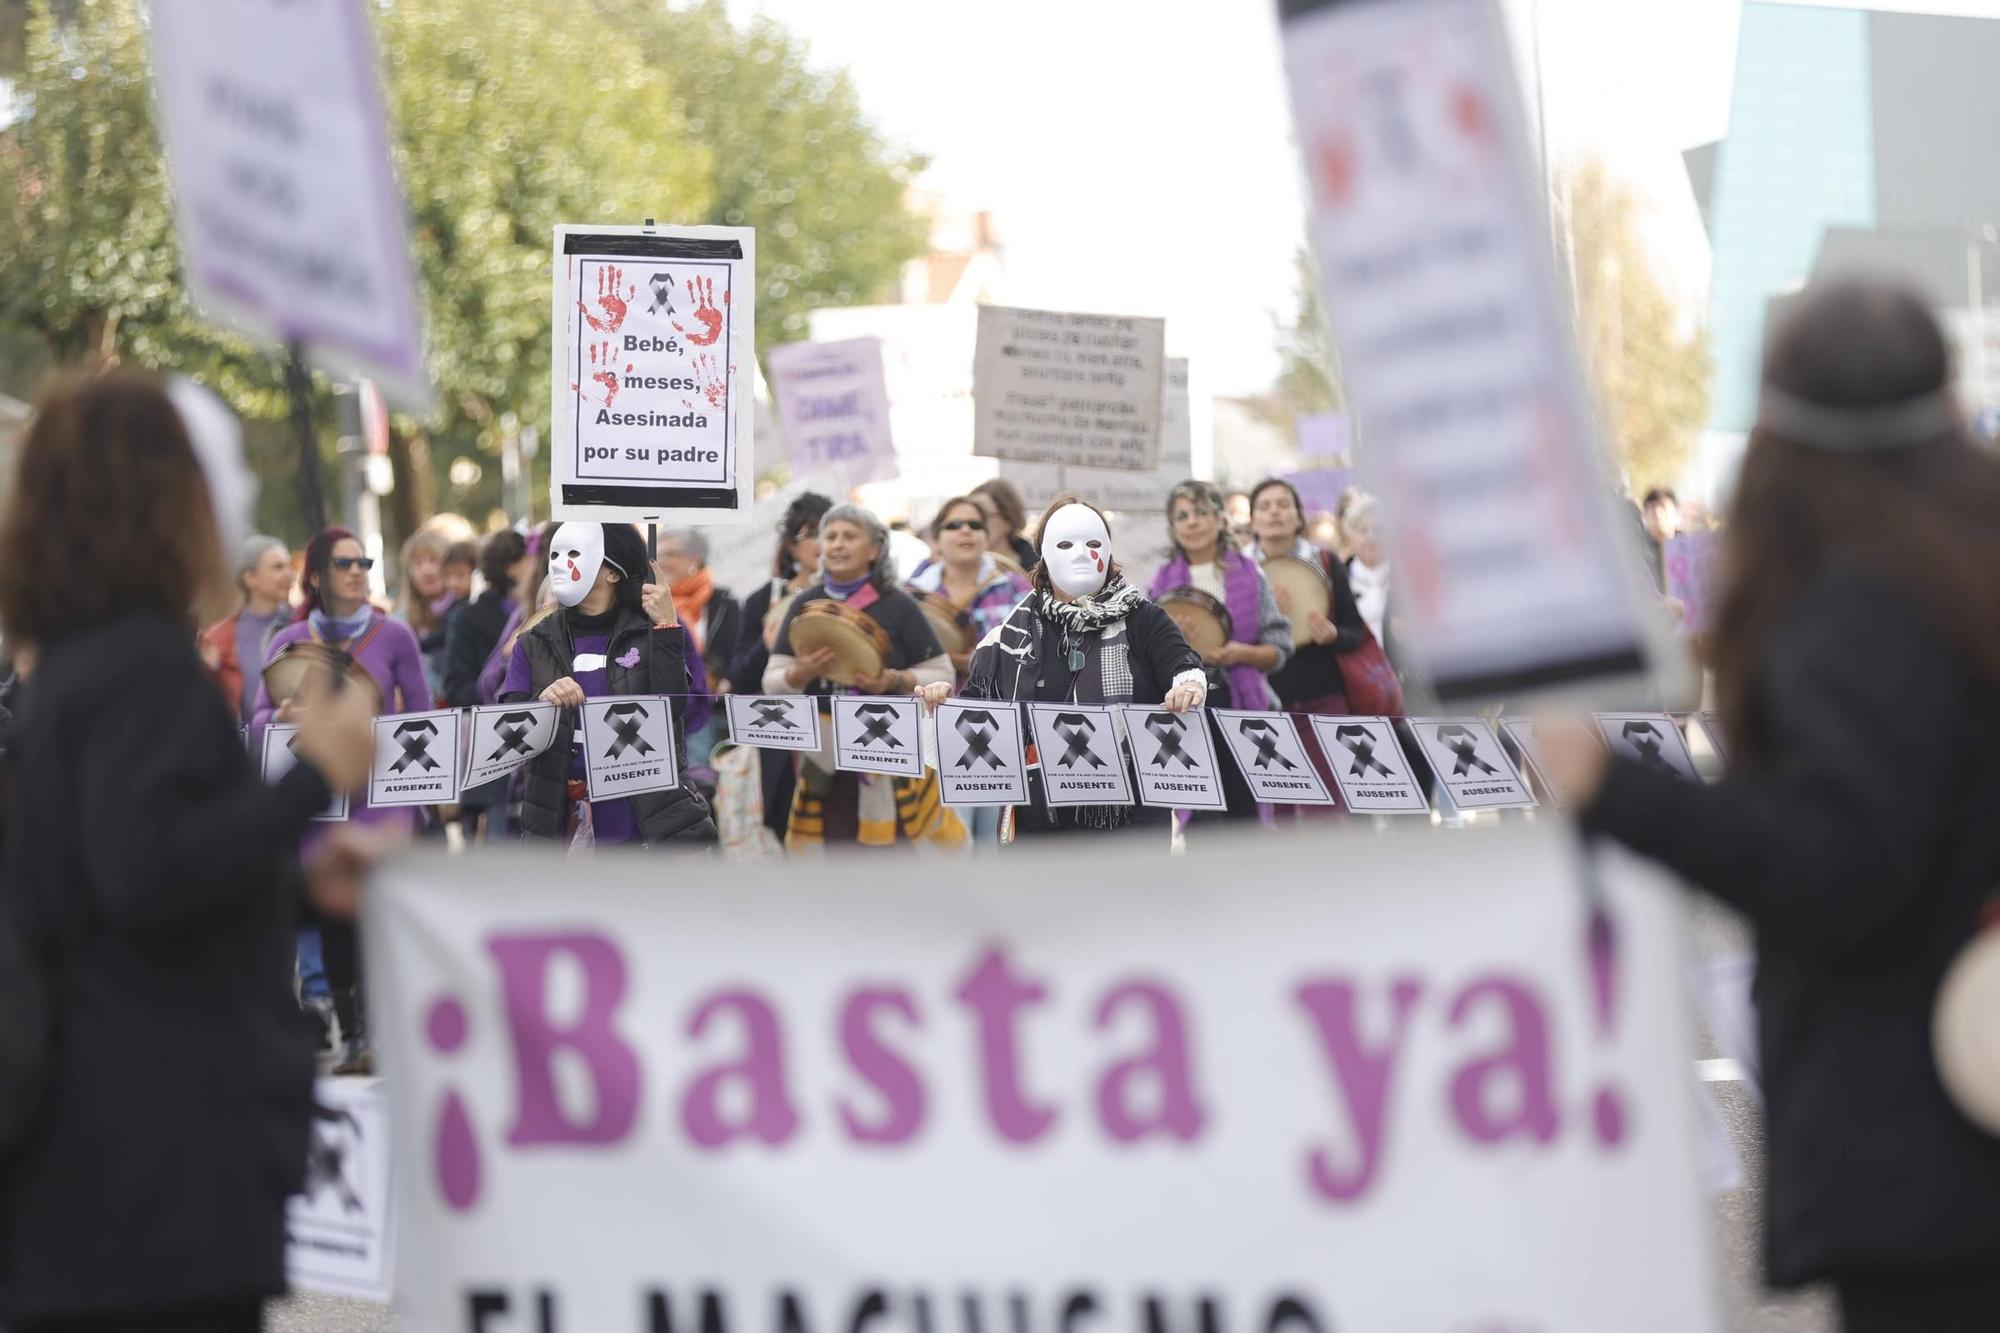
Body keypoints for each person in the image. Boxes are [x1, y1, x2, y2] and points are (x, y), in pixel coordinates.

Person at [1536, 278, 2000, 1332]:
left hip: (1929, 1150)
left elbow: (1837, 868)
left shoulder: (1861, 608)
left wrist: (1613, 788)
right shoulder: (1963, 569)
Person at [0, 371, 376, 1333]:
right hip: (152, 1185)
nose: (239, 510)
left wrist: (294, 889)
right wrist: (307, 779)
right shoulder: (138, 666)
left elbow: (122, 884)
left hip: (110, 1185)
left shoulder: (84, 661)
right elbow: (149, 870)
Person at [919, 494, 1205, 839]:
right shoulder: (1008, 636)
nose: (1082, 555)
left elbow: (1182, 663)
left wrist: (1187, 687)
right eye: (1066, 544)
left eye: (1094, 543)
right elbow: (975, 718)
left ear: (1109, 551)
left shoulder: (1144, 619)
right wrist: (942, 705)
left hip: (1130, 816)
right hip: (1040, 818)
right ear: (1044, 555)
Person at [251, 526, 431, 1074]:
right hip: (320, 802)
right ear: (318, 576)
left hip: (384, 801)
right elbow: (258, 719)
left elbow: (424, 717)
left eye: (365, 562)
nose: (358, 572)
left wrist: (368, 730)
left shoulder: (395, 636)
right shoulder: (289, 640)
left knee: (382, 916)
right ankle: (353, 1036)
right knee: (333, 919)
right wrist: (284, 719)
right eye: (345, 564)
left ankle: (390, 1031)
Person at [499, 521, 717, 848]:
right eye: (555, 554)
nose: (559, 563)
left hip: (643, 823)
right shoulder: (534, 640)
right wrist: (540, 701)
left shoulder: (656, 630)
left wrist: (667, 628)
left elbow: (672, 708)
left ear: (612, 572)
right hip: (562, 825)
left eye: (574, 553)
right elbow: (508, 729)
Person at [763, 504, 962, 849]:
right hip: (823, 758)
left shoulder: (899, 605)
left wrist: (892, 680)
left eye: (850, 537)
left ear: (874, 549)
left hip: (887, 752)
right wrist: (800, 673)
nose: (837, 544)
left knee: (889, 856)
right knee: (833, 849)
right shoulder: (806, 603)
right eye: (831, 537)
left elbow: (941, 672)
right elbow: (771, 682)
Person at [1149, 479, 1292, 821]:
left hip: (1242, 706)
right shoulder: (1158, 583)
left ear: (1219, 519)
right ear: (1173, 527)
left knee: (1245, 814)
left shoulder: (1250, 574)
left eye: (1201, 512)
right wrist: (1172, 641)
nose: (1193, 522)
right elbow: (1147, 656)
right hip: (1187, 709)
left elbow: (1279, 645)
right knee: (1202, 818)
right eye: (1182, 516)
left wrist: (1241, 654)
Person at [907, 496, 1035, 847]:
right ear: (936, 538)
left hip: (997, 727)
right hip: (933, 727)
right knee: (946, 841)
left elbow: (1035, 652)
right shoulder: (912, 593)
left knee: (994, 838)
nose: (965, 531)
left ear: (987, 534)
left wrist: (976, 663)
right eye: (954, 525)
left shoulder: (1017, 588)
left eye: (975, 524)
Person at [728, 492, 832, 843]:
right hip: (781, 741)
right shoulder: (762, 600)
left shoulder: (857, 598)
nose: (824, 543)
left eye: (833, 532)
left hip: (839, 742)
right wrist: (769, 646)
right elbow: (739, 679)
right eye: (813, 533)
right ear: (791, 545)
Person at [443, 529, 532, 839]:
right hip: (493, 755)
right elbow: (457, 688)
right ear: (511, 566)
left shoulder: (545, 609)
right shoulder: (470, 617)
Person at [201, 534, 292, 724]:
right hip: (249, 750)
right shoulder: (218, 639)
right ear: (250, 578)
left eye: (288, 566)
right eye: (278, 567)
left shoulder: (305, 624)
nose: (288, 574)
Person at [395, 527, 452, 695]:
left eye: (433, 560)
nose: (426, 570)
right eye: (417, 564)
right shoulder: (401, 618)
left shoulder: (466, 609)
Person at [1342, 492, 1395, 661]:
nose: (1370, 537)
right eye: (1362, 530)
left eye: (1378, 529)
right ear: (1350, 535)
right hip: (1359, 674)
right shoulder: (1339, 580)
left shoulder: (1407, 579)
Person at [970, 477, 1039, 572]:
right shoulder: (955, 567)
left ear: (1009, 517)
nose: (973, 525)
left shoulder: (1038, 569)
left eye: (983, 515)